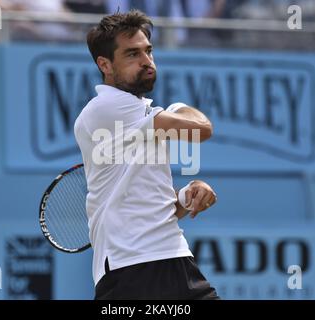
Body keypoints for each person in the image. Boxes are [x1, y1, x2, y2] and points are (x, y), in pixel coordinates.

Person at [74, 9, 219, 299]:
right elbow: (202, 130)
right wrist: (177, 108)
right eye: (132, 54)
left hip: (173, 257)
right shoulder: (107, 108)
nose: (146, 61)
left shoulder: (140, 116)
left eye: (148, 51)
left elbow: (151, 204)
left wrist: (186, 195)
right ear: (105, 64)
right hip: (131, 271)